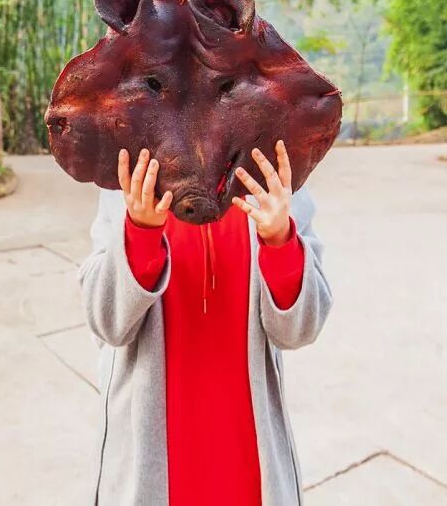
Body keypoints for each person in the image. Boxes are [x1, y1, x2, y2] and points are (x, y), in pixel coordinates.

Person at [79, 140, 333, 505]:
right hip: (149, 464)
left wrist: (280, 241)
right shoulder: (132, 175)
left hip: (248, 463)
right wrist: (139, 232)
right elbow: (107, 324)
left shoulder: (273, 174)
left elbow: (301, 330)